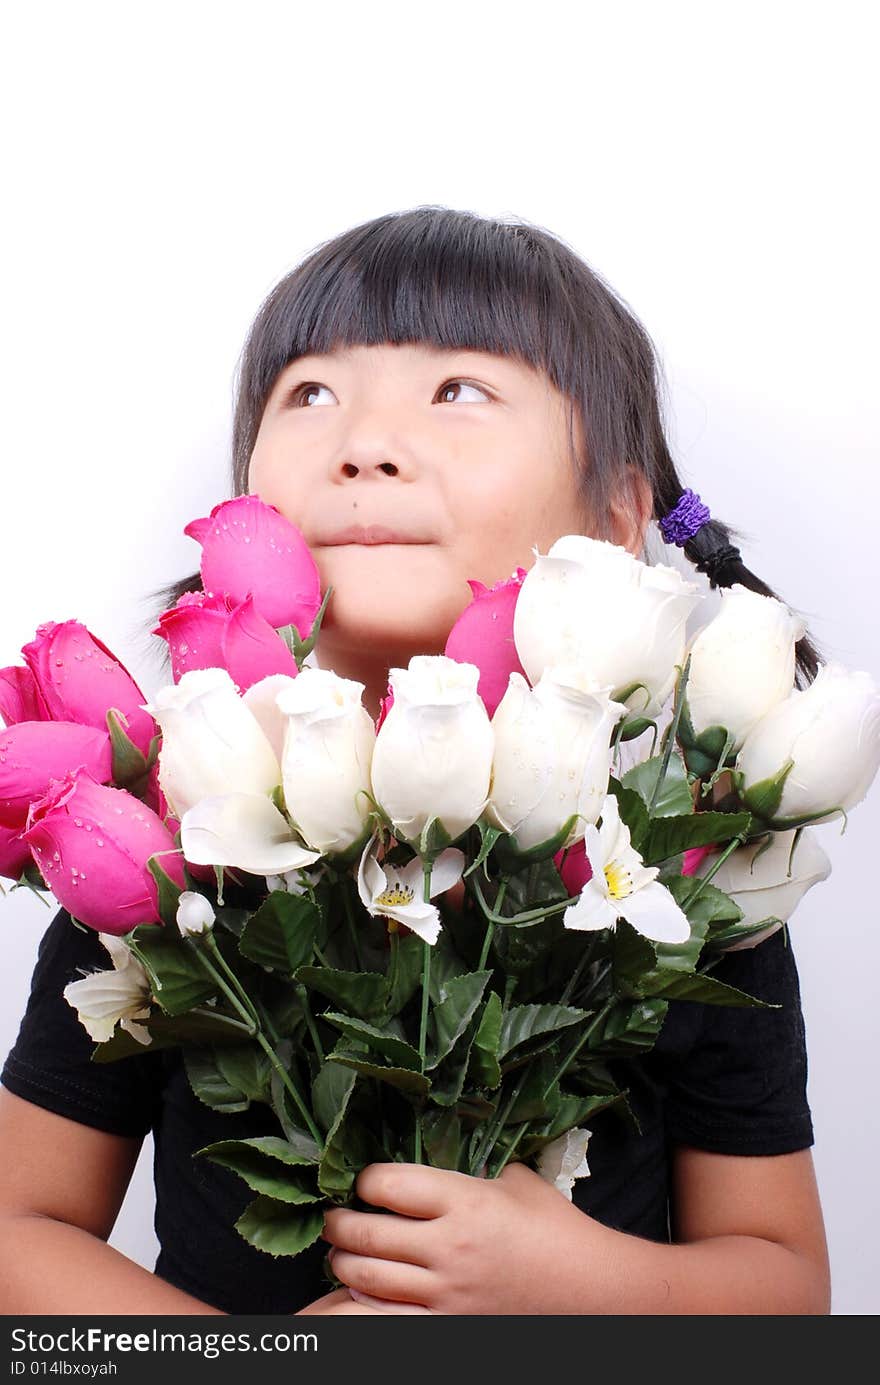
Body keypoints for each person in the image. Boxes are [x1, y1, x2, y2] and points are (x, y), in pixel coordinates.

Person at [0, 207, 831, 1315]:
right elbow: (19, 1230)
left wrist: (572, 1281)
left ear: (621, 513)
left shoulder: (671, 878)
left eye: (460, 390)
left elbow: (784, 1288)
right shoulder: (177, 847)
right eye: (310, 393)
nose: (363, 442)